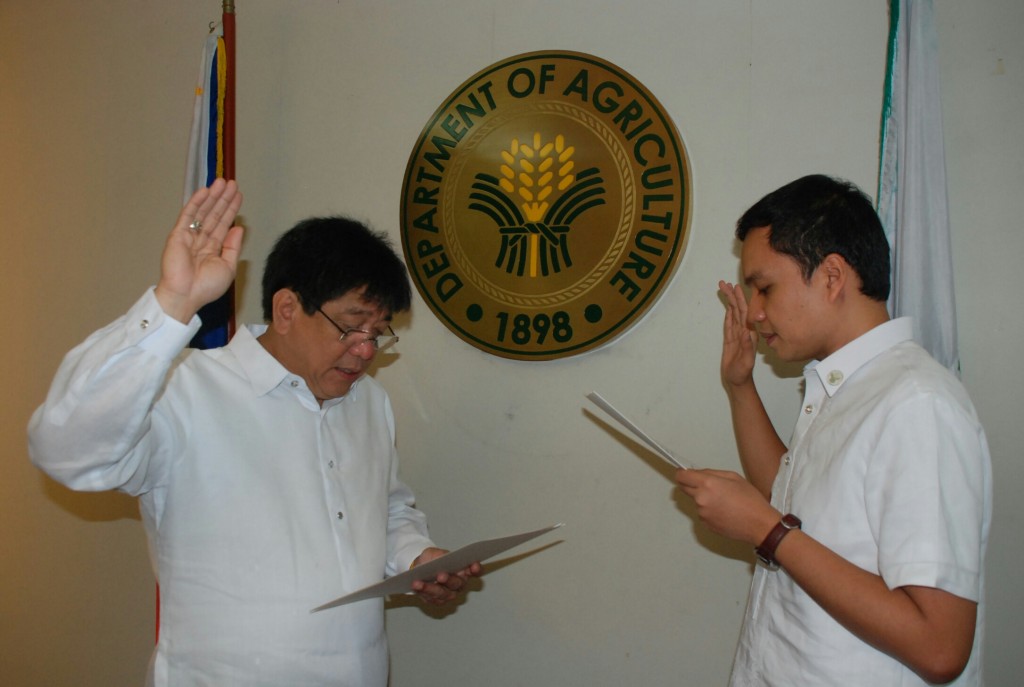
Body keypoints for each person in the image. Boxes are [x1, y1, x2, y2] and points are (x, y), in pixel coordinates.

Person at [28, 179, 481, 686]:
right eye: (353, 327)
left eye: (378, 333)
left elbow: (387, 506)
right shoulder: (184, 390)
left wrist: (418, 556)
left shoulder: (369, 401)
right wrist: (173, 302)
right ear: (287, 309)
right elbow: (66, 453)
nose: (366, 350)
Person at [676, 174, 991, 686]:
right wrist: (740, 387)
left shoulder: (916, 404)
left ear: (831, 276)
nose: (754, 313)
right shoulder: (847, 387)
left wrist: (766, 531)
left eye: (765, 287)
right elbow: (785, 498)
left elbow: (940, 647)